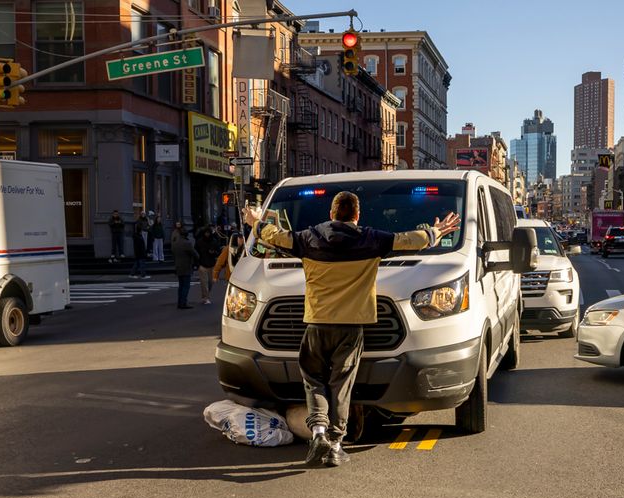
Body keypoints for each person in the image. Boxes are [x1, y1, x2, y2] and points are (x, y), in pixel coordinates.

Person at [242, 191, 460, 467]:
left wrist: (255, 223)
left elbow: (275, 236)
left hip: (317, 324)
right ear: (357, 215)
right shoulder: (372, 239)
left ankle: (318, 431)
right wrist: (435, 232)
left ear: (331, 214)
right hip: (351, 327)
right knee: (341, 384)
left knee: (313, 381)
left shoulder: (308, 238)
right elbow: (408, 240)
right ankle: (335, 443)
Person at [171, 229, 198, 309]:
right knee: (186, 286)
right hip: (186, 266)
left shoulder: (175, 243)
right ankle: (183, 303)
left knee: (181, 286)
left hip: (178, 266)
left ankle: (180, 302)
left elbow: (173, 253)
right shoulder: (187, 243)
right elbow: (195, 254)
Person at [195, 223, 220, 305]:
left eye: (208, 233)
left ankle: (206, 295)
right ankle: (205, 298)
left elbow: (218, 252)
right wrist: (197, 263)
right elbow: (196, 252)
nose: (207, 234)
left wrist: (213, 253)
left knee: (210, 282)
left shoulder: (214, 241)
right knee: (204, 283)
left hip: (211, 264)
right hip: (202, 264)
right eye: (206, 233)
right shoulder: (199, 242)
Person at [130, 211, 150, 279]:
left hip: (138, 253)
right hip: (140, 253)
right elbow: (141, 246)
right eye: (142, 214)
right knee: (142, 264)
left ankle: (132, 274)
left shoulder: (136, 236)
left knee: (137, 263)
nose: (143, 215)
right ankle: (143, 275)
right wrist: (144, 253)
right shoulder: (139, 237)